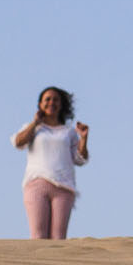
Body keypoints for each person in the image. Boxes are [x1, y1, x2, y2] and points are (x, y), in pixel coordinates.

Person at [12, 86, 89, 239]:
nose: (51, 103)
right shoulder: (35, 128)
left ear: (61, 105)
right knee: (38, 236)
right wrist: (35, 123)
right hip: (37, 184)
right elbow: (18, 142)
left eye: (56, 100)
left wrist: (84, 138)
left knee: (58, 238)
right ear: (40, 104)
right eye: (47, 99)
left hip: (63, 187)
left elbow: (80, 159)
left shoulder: (69, 132)